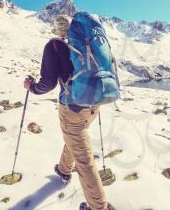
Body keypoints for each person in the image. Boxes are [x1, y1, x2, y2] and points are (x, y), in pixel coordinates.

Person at [24, 15, 114, 210]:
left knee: (83, 158)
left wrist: (32, 87)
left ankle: (98, 206)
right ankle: (64, 170)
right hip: (93, 105)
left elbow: (47, 83)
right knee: (75, 138)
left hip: (71, 108)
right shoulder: (88, 44)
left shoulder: (54, 46)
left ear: (57, 30)